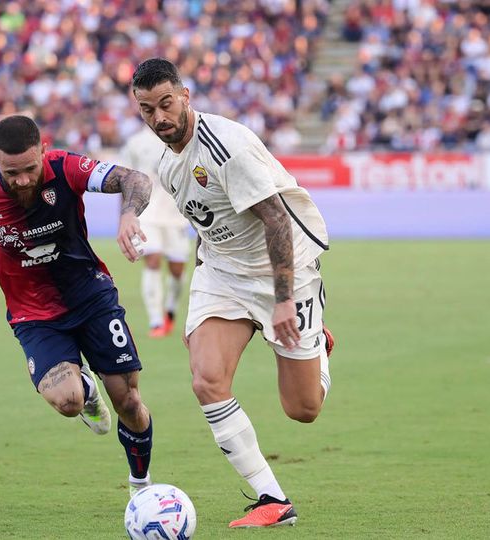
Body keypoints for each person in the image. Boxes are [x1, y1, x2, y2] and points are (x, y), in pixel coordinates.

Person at [131, 58, 336, 528]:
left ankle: (317, 346)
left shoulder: (225, 146)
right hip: (224, 273)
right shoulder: (168, 164)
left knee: (302, 409)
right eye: (147, 110)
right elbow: (211, 223)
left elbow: (276, 219)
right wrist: (205, 295)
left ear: (185, 96)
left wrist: (284, 300)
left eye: (166, 104)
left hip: (286, 271)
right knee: (206, 379)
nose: (159, 117)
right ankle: (272, 498)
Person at [0, 115, 155, 496]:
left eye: (30, 168)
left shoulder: (65, 167)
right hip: (34, 315)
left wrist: (128, 215)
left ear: (43, 149)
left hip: (91, 297)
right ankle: (86, 390)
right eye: (11, 172)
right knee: (68, 401)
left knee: (128, 400)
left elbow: (135, 179)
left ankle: (141, 486)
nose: (23, 179)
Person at [118, 127, 190, 338]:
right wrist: (124, 216)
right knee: (153, 260)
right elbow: (123, 180)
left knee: (177, 269)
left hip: (176, 216)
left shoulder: (182, 136)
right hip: (147, 214)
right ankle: (156, 320)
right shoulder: (136, 142)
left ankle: (170, 311)